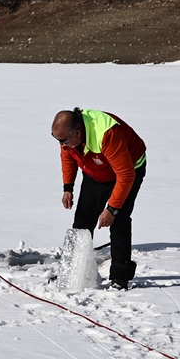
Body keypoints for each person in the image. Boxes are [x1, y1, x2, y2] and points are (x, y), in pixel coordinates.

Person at [52, 107, 146, 289]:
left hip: (129, 169)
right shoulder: (67, 137)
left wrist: (112, 209)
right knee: (82, 220)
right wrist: (68, 187)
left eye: (64, 140)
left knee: (119, 221)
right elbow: (68, 156)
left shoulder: (107, 133)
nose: (61, 144)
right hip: (97, 170)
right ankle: (71, 271)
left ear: (77, 133)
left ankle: (120, 277)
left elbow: (125, 175)